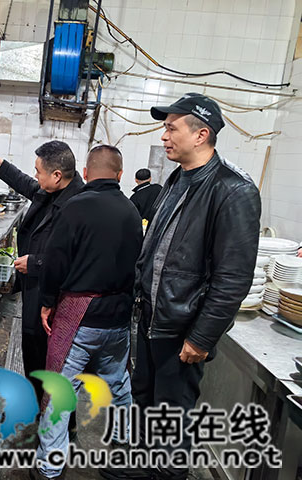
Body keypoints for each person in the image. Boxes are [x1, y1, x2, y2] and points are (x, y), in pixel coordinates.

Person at [100, 93, 261, 480]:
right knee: (144, 401)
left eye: (172, 128)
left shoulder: (233, 190)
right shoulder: (177, 178)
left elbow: (233, 278)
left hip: (183, 327)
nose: (164, 135)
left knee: (172, 414)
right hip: (153, 318)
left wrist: (202, 338)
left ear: (201, 134)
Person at [31, 145, 143, 480]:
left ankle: (50, 468)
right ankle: (125, 452)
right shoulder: (132, 211)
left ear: (86, 172)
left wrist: (48, 301)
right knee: (120, 388)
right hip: (119, 318)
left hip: (79, 316)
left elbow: (55, 261)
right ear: (120, 175)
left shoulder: (76, 207)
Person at [0, 141, 84, 404]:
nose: (36, 176)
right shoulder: (53, 190)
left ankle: (55, 414)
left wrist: (36, 263)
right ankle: (37, 404)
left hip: (53, 292)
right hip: (35, 285)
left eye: (39, 171)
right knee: (31, 345)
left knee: (49, 353)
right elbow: (31, 186)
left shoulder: (78, 205)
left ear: (56, 175)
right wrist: (3, 167)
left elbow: (76, 256)